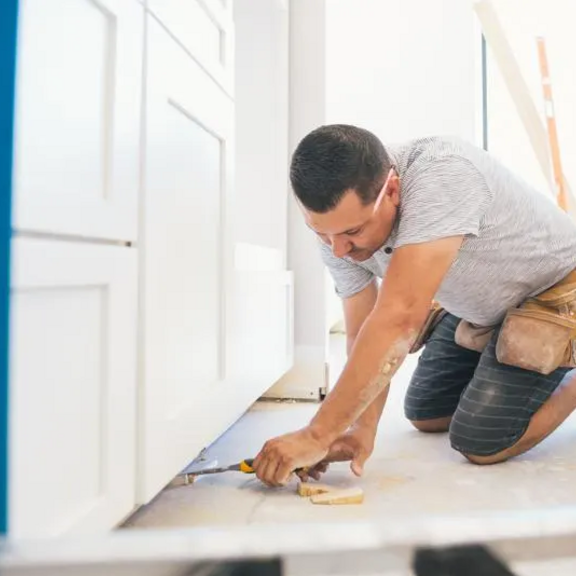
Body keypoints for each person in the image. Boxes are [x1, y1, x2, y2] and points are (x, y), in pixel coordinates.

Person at [251, 124, 576, 487]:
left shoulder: (443, 175)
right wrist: (360, 428)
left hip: (555, 291)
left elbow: (399, 319)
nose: (338, 249)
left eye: (352, 233)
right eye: (321, 233)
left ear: (391, 190)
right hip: (484, 304)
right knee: (426, 413)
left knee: (482, 442)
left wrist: (316, 435)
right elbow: (363, 331)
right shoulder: (338, 232)